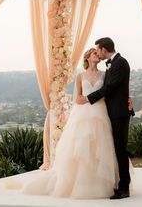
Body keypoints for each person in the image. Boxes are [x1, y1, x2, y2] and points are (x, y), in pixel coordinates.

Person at [21, 47, 132, 199]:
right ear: (88, 57)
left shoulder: (105, 74)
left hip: (100, 112)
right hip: (83, 114)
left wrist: (127, 99)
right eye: (94, 53)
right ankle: (82, 183)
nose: (97, 55)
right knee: (82, 148)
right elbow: (77, 97)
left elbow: (110, 90)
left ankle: (104, 183)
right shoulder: (80, 76)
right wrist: (81, 100)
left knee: (102, 147)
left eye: (97, 52)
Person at [77, 37, 132, 199]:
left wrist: (87, 98)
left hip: (118, 114)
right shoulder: (112, 64)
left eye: (97, 50)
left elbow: (109, 87)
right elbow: (115, 88)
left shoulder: (120, 63)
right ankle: (119, 186)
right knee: (116, 149)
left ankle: (124, 188)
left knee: (120, 149)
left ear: (102, 49)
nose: (97, 54)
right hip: (111, 112)